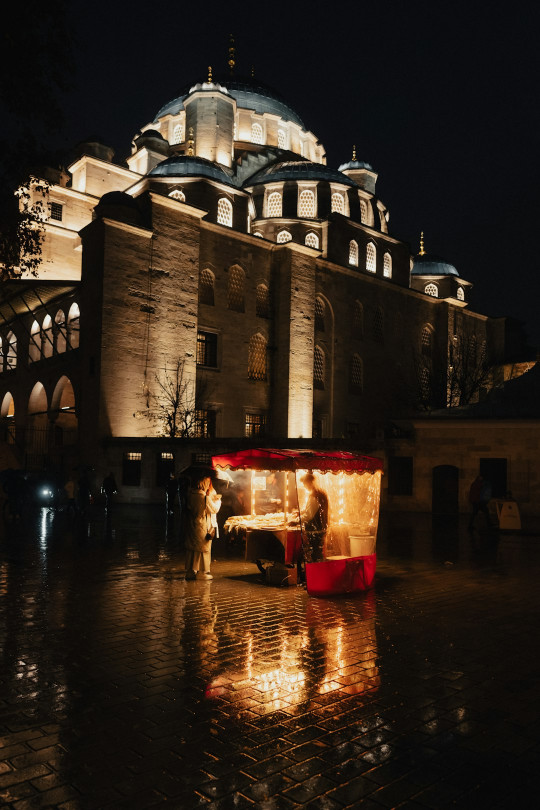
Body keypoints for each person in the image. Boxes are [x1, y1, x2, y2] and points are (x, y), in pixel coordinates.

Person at [184, 476, 221, 580]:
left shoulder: (190, 494)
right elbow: (214, 509)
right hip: (202, 525)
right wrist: (218, 501)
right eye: (208, 482)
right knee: (203, 549)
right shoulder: (203, 497)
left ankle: (190, 571)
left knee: (192, 549)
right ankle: (202, 572)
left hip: (192, 525)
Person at [300, 472, 329, 562]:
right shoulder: (321, 493)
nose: (304, 486)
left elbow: (309, 515)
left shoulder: (314, 495)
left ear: (310, 482)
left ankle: (316, 572)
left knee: (315, 553)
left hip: (315, 530)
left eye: (305, 484)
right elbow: (315, 510)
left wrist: (298, 520)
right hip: (321, 527)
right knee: (318, 552)